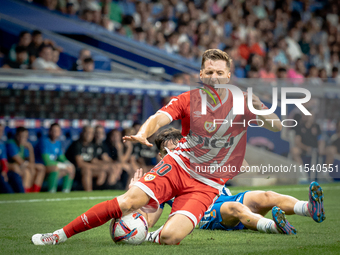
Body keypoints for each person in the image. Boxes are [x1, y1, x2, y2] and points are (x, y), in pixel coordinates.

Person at [31, 49, 282, 245]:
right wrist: (143, 133)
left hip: (208, 184)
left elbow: (276, 127)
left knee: (172, 238)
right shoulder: (188, 99)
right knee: (127, 201)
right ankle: (58, 235)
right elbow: (160, 117)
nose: (213, 77)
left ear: (228, 75)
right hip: (179, 166)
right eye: (209, 72)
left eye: (219, 73)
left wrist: (259, 106)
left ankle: (147, 233)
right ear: (201, 75)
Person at [133, 128, 325, 239]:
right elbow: (147, 222)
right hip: (204, 213)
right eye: (169, 152)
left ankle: (309, 208)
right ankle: (276, 227)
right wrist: (136, 194)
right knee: (235, 207)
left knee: (267, 196)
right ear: (161, 156)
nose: (175, 155)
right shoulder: (161, 181)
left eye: (178, 149)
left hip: (226, 197)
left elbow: (243, 166)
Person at [35, 123, 75, 193]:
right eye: (53, 130)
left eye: (57, 131)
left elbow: (61, 157)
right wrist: (63, 166)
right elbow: (47, 161)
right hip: (41, 167)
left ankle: (65, 192)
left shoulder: (58, 143)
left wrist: (68, 164)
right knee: (55, 168)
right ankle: (51, 192)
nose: (54, 133)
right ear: (49, 131)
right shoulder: (44, 141)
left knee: (71, 168)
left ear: (60, 132)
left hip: (53, 166)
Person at [65, 126, 106, 191]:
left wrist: (103, 166)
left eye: (91, 133)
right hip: (74, 170)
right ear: (82, 133)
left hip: (88, 168)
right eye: (87, 132)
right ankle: (88, 193)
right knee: (87, 170)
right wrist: (95, 167)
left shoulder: (92, 145)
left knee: (102, 172)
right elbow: (79, 164)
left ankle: (97, 191)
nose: (89, 135)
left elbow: (94, 160)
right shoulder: (77, 144)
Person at [6, 127, 45, 193]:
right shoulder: (11, 143)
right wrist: (32, 167)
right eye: (20, 136)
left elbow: (31, 161)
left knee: (41, 168)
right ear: (16, 135)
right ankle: (25, 194)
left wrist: (30, 148)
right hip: (11, 169)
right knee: (27, 172)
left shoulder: (23, 145)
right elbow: (20, 161)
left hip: (21, 166)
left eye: (25, 137)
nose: (22, 138)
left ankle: (34, 193)